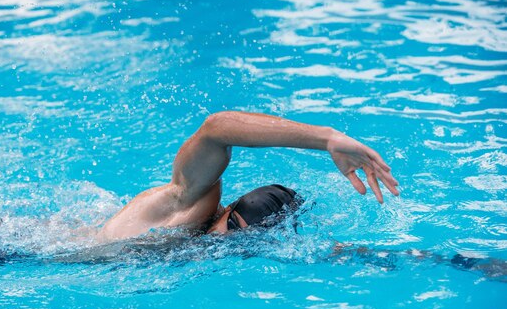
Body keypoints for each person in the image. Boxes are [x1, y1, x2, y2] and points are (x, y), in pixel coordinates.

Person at [97, 111, 400, 241]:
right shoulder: (187, 207)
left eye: (243, 236)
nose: (226, 238)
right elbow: (215, 129)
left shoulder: (224, 245)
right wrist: (327, 139)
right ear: (225, 209)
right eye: (230, 224)